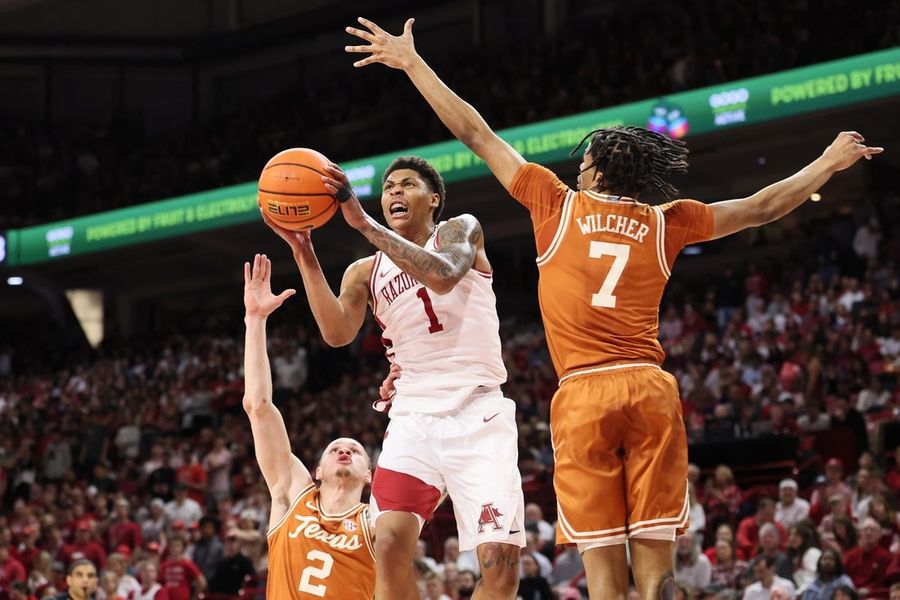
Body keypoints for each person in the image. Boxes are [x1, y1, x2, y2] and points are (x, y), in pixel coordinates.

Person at [343, 15, 882, 599]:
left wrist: (413, 63)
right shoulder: (666, 221)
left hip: (584, 394)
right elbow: (759, 206)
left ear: (595, 169)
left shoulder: (556, 205)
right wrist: (828, 163)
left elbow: (476, 133)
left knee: (603, 579)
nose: (576, 166)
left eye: (583, 161)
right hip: (649, 387)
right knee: (657, 573)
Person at [262, 114, 524, 600]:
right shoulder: (364, 270)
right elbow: (338, 333)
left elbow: (443, 275)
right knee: (387, 545)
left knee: (502, 571)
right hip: (413, 417)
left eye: (408, 184)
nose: (394, 191)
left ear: (434, 199)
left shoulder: (461, 231)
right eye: (387, 187)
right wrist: (303, 251)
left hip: (479, 412)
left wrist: (360, 221)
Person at [241, 254, 376, 598]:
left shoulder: (376, 521)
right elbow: (258, 407)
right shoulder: (291, 495)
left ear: (369, 475)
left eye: (355, 450)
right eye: (335, 449)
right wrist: (254, 320)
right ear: (316, 470)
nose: (344, 449)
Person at [843, 517, 892, 595]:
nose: (868, 532)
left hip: (874, 594)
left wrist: (869, 590)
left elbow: (883, 582)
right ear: (860, 534)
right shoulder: (850, 556)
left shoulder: (886, 557)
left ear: (879, 535)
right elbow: (843, 577)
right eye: (865, 529)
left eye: (872, 529)